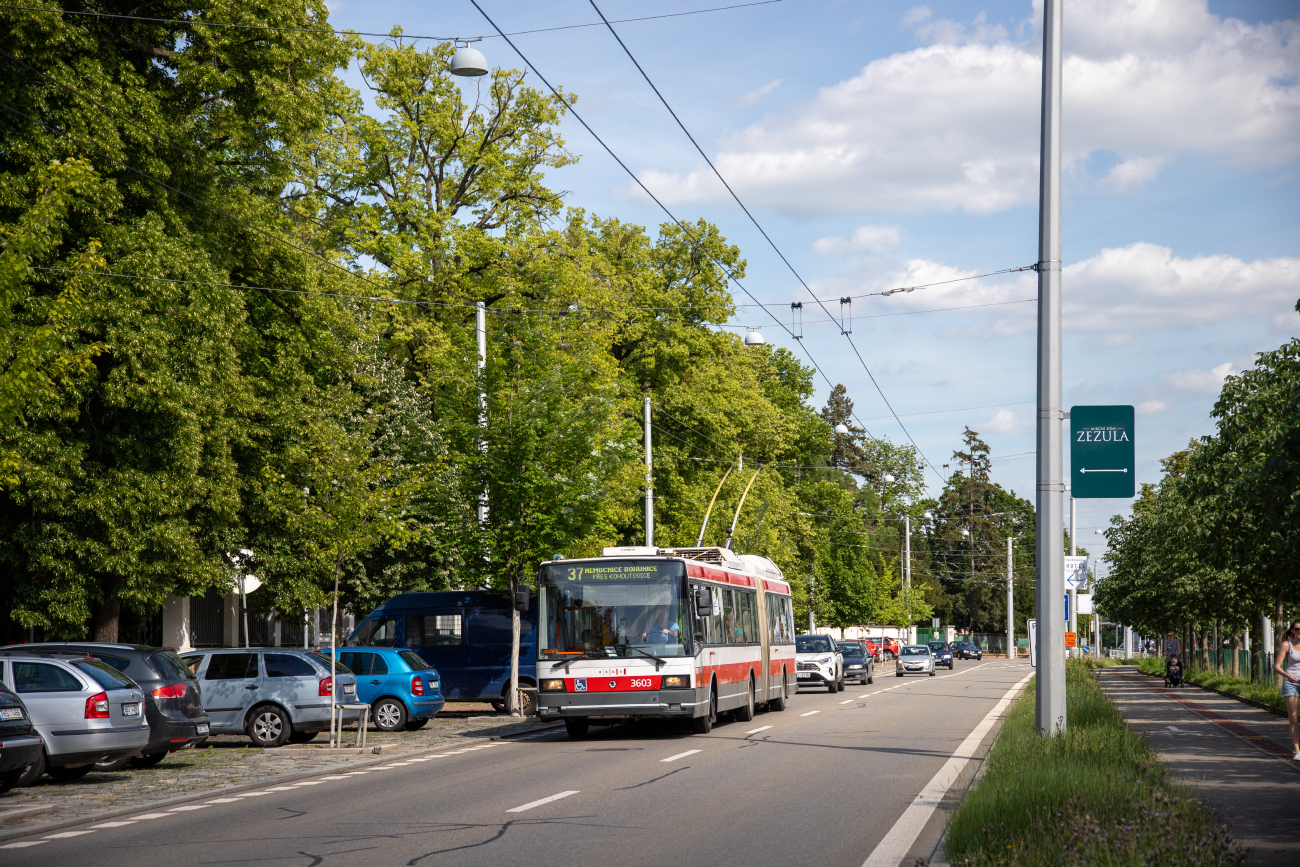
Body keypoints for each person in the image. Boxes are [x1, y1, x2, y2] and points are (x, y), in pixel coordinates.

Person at [1272, 618, 1300, 762]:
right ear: (1292, 631)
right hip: (1291, 682)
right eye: (1297, 629)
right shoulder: (1286, 645)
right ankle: (1297, 750)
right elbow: (1277, 666)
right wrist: (1288, 675)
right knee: (1294, 718)